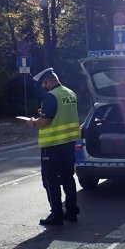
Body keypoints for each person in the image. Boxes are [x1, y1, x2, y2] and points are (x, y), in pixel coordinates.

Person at [22, 68, 81, 227]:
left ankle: (56, 215)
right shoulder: (70, 93)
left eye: (43, 84)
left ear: (47, 81)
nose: (43, 87)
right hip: (69, 144)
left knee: (51, 181)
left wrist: (33, 122)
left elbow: (46, 121)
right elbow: (62, 114)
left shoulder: (51, 96)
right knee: (68, 177)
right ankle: (71, 210)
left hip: (52, 146)